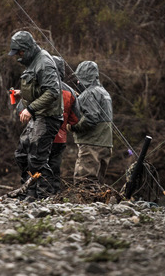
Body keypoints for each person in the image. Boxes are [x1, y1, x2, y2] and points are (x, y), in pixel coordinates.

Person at [8, 31, 63, 200]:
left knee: (37, 159)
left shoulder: (44, 62)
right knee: (22, 154)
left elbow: (53, 91)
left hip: (47, 117)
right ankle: (28, 192)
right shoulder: (33, 62)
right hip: (38, 116)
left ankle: (45, 197)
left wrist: (30, 109)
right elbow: (38, 88)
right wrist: (22, 94)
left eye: (20, 52)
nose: (18, 56)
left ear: (27, 49)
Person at [66, 60, 113, 186]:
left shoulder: (88, 94)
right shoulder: (104, 92)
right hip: (106, 144)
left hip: (91, 144)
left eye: (79, 78)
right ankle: (96, 205)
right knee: (98, 182)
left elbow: (91, 119)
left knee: (84, 180)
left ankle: (85, 205)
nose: (77, 81)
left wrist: (72, 126)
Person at [48, 56, 80, 194]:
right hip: (60, 138)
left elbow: (22, 109)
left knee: (37, 165)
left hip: (41, 135)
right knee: (55, 168)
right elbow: (76, 119)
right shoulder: (70, 91)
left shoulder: (42, 85)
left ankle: (37, 195)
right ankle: (54, 194)